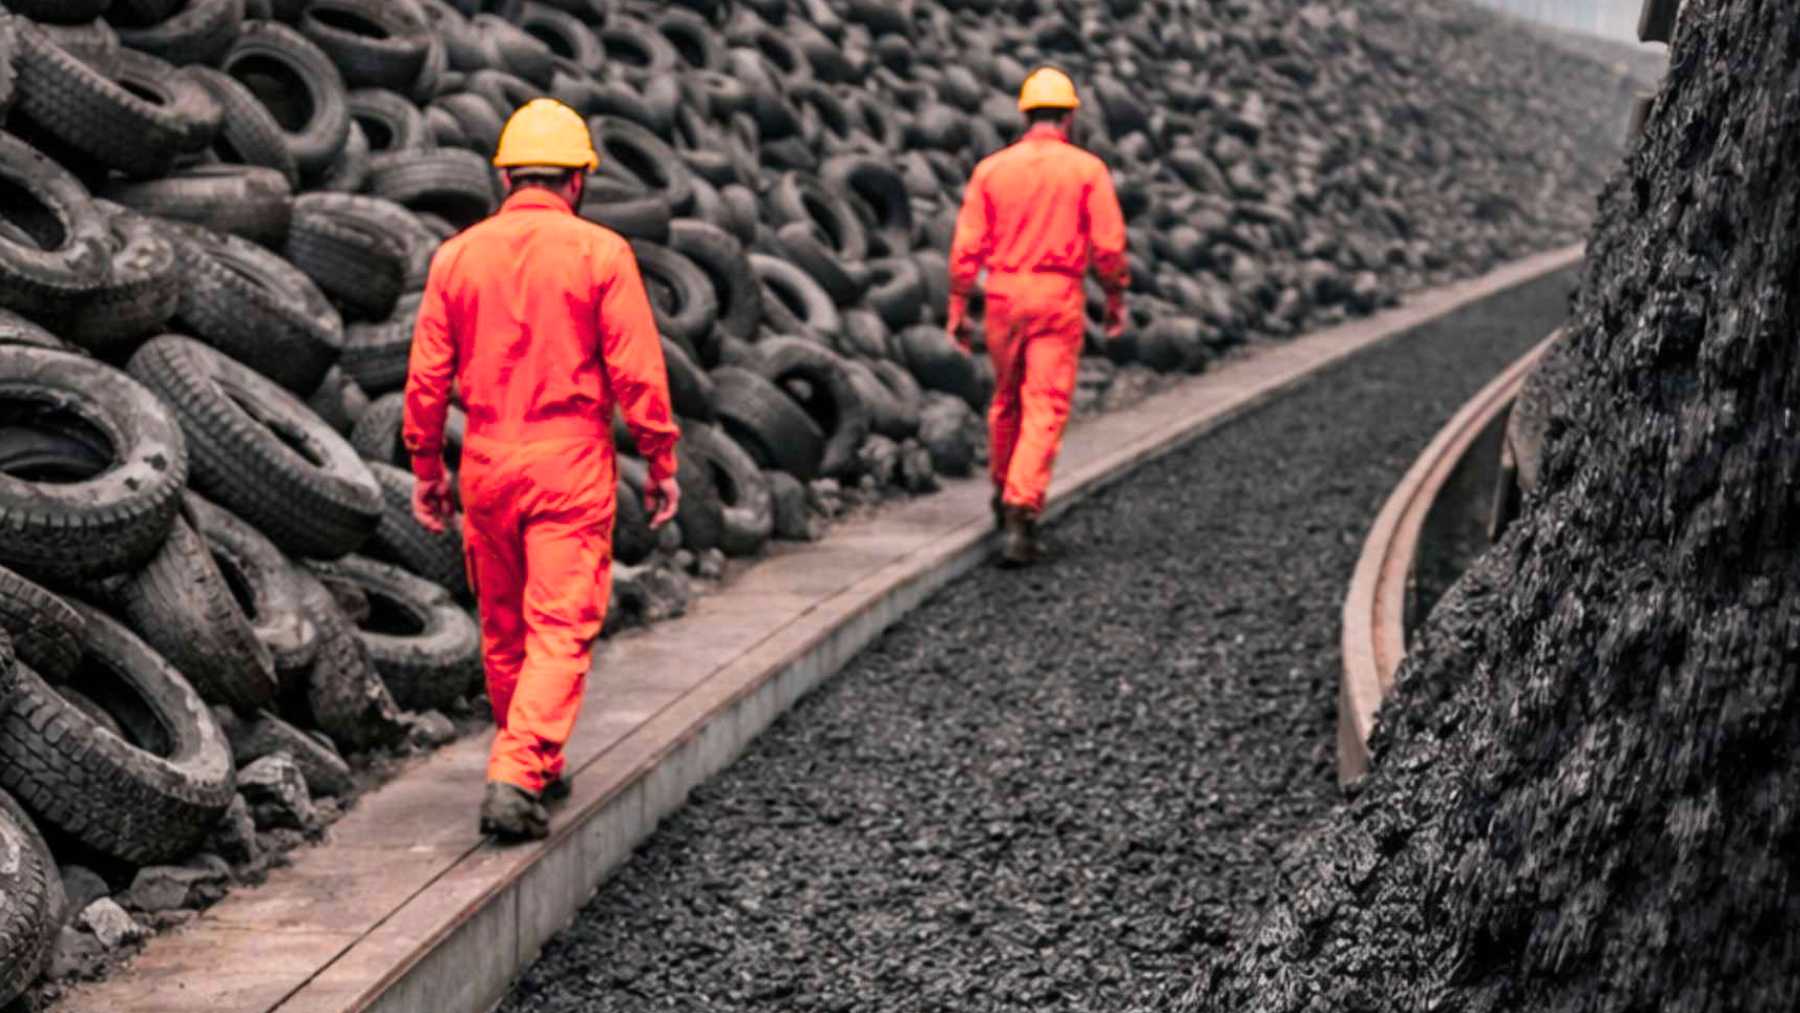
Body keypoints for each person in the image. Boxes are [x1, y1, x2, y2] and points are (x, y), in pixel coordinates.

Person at [402, 98, 681, 842]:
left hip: (487, 460)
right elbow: (638, 372)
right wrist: (660, 457)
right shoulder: (601, 252)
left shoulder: (457, 255)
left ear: (504, 175)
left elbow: (428, 378)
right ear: (579, 179)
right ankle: (520, 771)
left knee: (504, 629)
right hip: (568, 461)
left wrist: (426, 466)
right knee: (560, 625)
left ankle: (531, 752)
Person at [946, 66, 1130, 566]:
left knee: (1006, 400)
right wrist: (1115, 298)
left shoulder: (991, 169)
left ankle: (1002, 489)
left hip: (1003, 295)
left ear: (1025, 114)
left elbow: (966, 249)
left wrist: (959, 306)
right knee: (1044, 404)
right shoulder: (1087, 170)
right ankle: (1020, 509)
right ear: (1069, 115)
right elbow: (1108, 247)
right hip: (1055, 295)